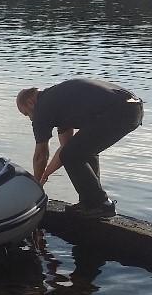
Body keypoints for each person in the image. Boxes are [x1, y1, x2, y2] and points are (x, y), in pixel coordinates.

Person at [16, 79, 143, 218]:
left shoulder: (42, 109)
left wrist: (36, 187)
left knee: (74, 154)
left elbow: (41, 155)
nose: (30, 119)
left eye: (26, 113)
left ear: (29, 102)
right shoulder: (57, 101)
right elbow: (65, 148)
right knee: (81, 151)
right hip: (133, 107)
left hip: (120, 110)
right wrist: (45, 175)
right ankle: (90, 203)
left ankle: (100, 203)